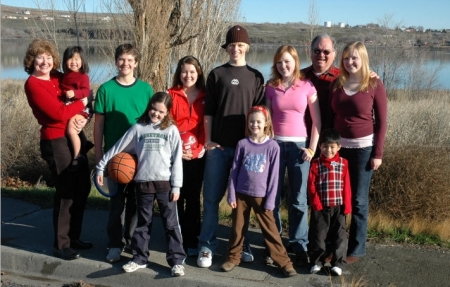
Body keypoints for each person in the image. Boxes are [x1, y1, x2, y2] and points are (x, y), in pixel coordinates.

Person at [96, 92, 186, 276]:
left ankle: (177, 261)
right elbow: (119, 147)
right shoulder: (139, 128)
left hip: (165, 184)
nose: (156, 114)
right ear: (149, 107)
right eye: (153, 109)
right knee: (143, 223)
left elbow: (177, 159)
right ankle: (139, 258)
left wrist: (177, 186)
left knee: (171, 224)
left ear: (167, 112)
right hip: (143, 183)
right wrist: (101, 166)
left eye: (161, 111)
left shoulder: (171, 130)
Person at [197, 25, 265, 268]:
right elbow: (209, 113)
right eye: (231, 45)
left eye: (240, 45)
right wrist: (208, 141)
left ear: (246, 47)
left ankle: (241, 244)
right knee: (212, 199)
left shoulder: (256, 76)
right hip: (219, 150)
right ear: (226, 48)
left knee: (243, 203)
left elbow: (261, 115)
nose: (235, 49)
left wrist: (257, 145)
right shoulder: (217, 74)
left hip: (246, 151)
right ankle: (206, 246)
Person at [23, 38, 92, 260]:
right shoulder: (33, 84)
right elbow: (59, 114)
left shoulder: (58, 77)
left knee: (82, 186)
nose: (45, 61)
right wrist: (82, 105)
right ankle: (61, 244)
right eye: (40, 57)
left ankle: (74, 237)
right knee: (66, 190)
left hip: (74, 134)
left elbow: (83, 93)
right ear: (32, 61)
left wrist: (84, 116)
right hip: (55, 140)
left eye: (49, 57)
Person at [93, 43, 154, 263]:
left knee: (136, 203)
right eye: (122, 59)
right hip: (114, 158)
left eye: (130, 60)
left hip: (139, 157)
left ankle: (130, 239)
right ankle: (114, 244)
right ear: (116, 61)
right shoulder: (106, 89)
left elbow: (152, 123)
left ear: (136, 63)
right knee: (116, 203)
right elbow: (99, 125)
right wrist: (100, 154)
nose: (125, 63)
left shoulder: (146, 89)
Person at [221, 106, 297, 277]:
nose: (255, 124)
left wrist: (270, 200)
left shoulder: (272, 147)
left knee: (270, 230)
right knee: (238, 228)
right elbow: (234, 171)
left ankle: (284, 263)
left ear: (266, 124)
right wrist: (231, 194)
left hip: (262, 196)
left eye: (258, 122)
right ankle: (233, 258)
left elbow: (274, 176)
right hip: (241, 194)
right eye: (252, 121)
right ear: (248, 123)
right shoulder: (242, 144)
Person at [330, 41, 387, 264]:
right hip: (338, 150)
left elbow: (382, 122)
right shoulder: (337, 83)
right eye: (346, 58)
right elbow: (329, 117)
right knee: (337, 200)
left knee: (359, 201)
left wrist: (378, 154)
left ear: (362, 59)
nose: (350, 62)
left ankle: (356, 248)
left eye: (354, 57)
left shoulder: (374, 84)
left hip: (364, 150)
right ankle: (336, 245)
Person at [265, 45, 321, 267]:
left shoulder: (307, 86)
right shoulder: (271, 87)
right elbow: (267, 120)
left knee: (298, 199)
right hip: (275, 146)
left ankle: (299, 244)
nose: (283, 66)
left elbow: (317, 121)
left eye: (287, 61)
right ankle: (275, 244)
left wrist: (311, 149)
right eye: (279, 62)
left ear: (295, 62)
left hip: (299, 148)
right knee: (273, 198)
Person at [167, 56, 206, 257]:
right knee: (175, 196)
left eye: (192, 71)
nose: (188, 75)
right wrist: (176, 150)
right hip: (175, 155)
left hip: (197, 155)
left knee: (192, 197)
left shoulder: (206, 96)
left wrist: (199, 149)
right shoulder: (170, 95)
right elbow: (166, 124)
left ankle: (192, 238)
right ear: (178, 73)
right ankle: (175, 237)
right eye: (184, 71)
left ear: (198, 73)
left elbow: (206, 125)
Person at [307, 128, 351, 276]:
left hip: (339, 207)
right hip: (320, 207)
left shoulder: (343, 163)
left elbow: (347, 186)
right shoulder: (315, 164)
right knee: (318, 236)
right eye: (325, 146)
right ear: (320, 146)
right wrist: (316, 204)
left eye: (332, 147)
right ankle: (316, 262)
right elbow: (311, 186)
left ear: (339, 147)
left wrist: (347, 206)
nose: (329, 150)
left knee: (339, 237)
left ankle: (338, 263)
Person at [61, 46, 92, 170]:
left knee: (71, 131)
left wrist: (75, 93)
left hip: (80, 108)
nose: (73, 62)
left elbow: (86, 91)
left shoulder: (83, 76)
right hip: (68, 106)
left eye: (77, 59)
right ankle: (83, 145)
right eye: (70, 59)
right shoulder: (65, 76)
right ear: (65, 62)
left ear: (82, 61)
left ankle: (77, 156)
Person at [301, 34, 339, 133]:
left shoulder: (343, 78)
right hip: (302, 137)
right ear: (310, 52)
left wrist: (368, 76)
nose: (321, 55)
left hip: (330, 141)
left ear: (334, 54)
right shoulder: (299, 76)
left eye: (326, 52)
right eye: (317, 51)